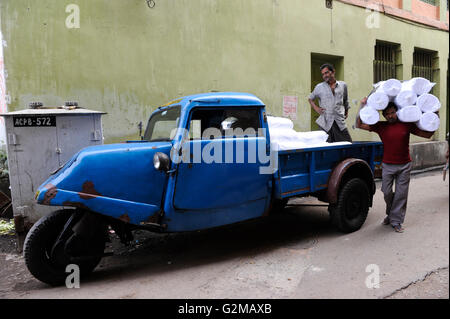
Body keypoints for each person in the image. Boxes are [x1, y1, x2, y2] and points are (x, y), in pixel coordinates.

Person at [356, 99, 434, 233]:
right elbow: (359, 124)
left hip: (404, 165)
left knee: (401, 195)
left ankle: (396, 221)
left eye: (393, 112)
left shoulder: (406, 125)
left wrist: (433, 117)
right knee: (386, 192)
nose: (391, 115)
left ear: (396, 112)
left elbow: (427, 134)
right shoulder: (380, 126)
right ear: (384, 116)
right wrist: (362, 106)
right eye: (388, 114)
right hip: (387, 165)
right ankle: (391, 213)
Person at [308, 63, 352, 143]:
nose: (325, 75)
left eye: (326, 72)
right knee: (327, 149)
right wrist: (316, 108)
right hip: (325, 122)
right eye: (323, 74)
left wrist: (346, 112)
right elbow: (310, 99)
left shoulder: (343, 85)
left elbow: (345, 100)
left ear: (333, 72)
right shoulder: (319, 87)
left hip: (339, 121)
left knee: (347, 144)